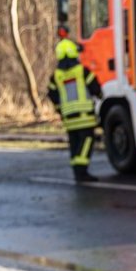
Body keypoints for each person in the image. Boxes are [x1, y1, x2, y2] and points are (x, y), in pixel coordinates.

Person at [48, 33, 103, 183]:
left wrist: (60, 109)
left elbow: (52, 94)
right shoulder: (82, 71)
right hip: (85, 117)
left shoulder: (56, 76)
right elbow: (96, 88)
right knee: (87, 141)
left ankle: (77, 171)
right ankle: (82, 172)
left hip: (69, 119)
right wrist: (99, 97)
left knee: (74, 144)